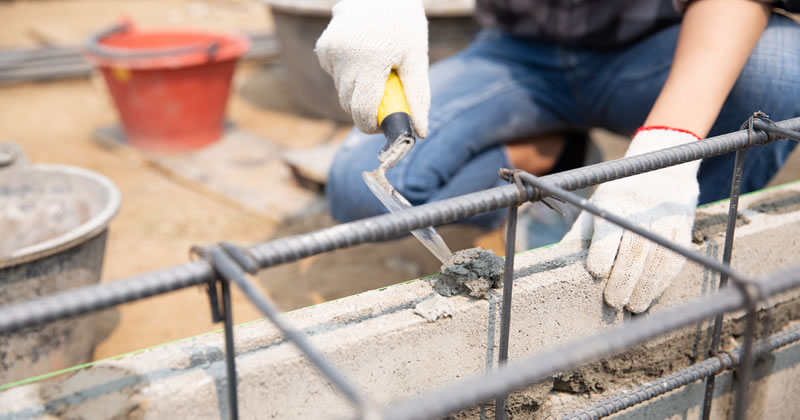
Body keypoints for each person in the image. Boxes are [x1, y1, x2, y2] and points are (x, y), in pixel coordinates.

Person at [314, 0, 800, 313]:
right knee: (357, 188)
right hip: (518, 55)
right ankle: (556, 155)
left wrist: (667, 145)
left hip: (657, 46)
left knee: (785, 68)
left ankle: (667, 264)